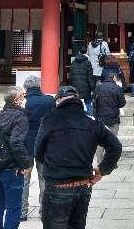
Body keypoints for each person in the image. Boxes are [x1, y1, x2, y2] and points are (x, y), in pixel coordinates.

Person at [35, 86, 122, 229]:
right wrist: (102, 170)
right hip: (83, 185)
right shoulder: (92, 120)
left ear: (58, 101)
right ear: (78, 101)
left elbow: (38, 153)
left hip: (58, 186)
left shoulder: (50, 118)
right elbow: (116, 147)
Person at [0, 86, 33, 229]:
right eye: (24, 96)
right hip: (11, 168)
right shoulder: (20, 117)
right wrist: (26, 163)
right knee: (14, 208)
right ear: (17, 100)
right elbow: (16, 142)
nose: (26, 99)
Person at [20, 76, 54, 222]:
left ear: (26, 88)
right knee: (44, 179)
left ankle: (22, 211)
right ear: (39, 86)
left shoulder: (23, 102)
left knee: (24, 179)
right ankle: (44, 210)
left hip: (25, 145)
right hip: (44, 145)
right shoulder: (49, 101)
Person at [93, 72, 126, 164]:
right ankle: (111, 162)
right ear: (114, 78)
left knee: (100, 142)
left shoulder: (98, 87)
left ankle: (100, 162)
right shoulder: (117, 88)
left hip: (100, 118)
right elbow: (122, 103)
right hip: (113, 118)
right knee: (113, 140)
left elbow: (94, 101)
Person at [68, 45, 96, 114]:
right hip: (85, 87)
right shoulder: (87, 63)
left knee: (76, 103)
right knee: (88, 103)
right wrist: (93, 88)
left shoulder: (73, 63)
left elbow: (71, 77)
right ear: (86, 52)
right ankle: (89, 117)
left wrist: (70, 87)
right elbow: (90, 77)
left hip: (75, 87)